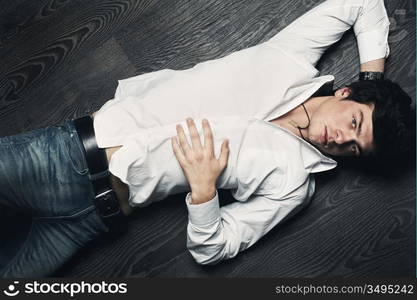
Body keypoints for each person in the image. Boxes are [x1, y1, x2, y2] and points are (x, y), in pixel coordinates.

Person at [0, 0, 414, 277]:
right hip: (60, 157)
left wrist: (203, 190)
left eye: (355, 147)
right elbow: (362, 3)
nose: (342, 139)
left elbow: (213, 250)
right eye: (355, 123)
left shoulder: (293, 184)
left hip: (94, 221)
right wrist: (372, 79)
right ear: (348, 94)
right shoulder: (290, 58)